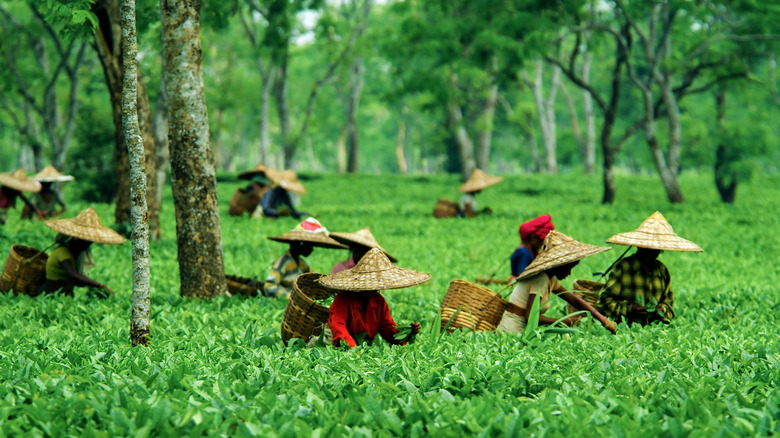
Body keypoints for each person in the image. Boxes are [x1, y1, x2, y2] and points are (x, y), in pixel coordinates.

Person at [496, 231, 617, 334]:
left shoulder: (550, 279)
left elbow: (574, 299)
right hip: (511, 331)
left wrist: (602, 319)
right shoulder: (541, 279)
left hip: (522, 331)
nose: (569, 273)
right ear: (558, 266)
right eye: (568, 268)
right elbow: (531, 317)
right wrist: (565, 321)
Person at [599, 211, 703, 326]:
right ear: (639, 246)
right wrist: (630, 308)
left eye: (656, 250)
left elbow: (669, 305)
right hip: (624, 328)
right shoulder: (624, 267)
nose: (651, 253)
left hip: (654, 330)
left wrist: (662, 310)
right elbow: (604, 301)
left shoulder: (662, 271)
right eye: (647, 249)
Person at [318, 248, 430, 348]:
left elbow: (388, 330)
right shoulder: (342, 300)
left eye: (375, 287)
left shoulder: (378, 301)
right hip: (336, 345)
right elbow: (339, 328)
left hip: (364, 347)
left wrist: (408, 332)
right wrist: (354, 351)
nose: (372, 291)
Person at [38, 207, 126, 297]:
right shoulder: (63, 252)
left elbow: (78, 283)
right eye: (86, 241)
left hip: (64, 297)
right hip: (50, 295)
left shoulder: (73, 253)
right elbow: (73, 275)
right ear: (77, 238)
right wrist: (99, 285)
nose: (88, 245)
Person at [264, 217, 346, 298]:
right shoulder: (283, 261)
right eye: (309, 245)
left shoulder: (301, 263)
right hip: (285, 302)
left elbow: (314, 278)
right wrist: (288, 297)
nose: (312, 249)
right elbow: (269, 286)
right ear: (300, 244)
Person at [329, 227, 398, 274]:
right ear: (352, 250)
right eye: (357, 251)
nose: (359, 255)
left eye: (363, 252)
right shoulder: (340, 267)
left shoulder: (374, 272)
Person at [510, 214, 555, 280]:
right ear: (533, 237)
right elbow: (523, 277)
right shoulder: (524, 253)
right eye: (541, 241)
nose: (542, 244)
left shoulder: (530, 252)